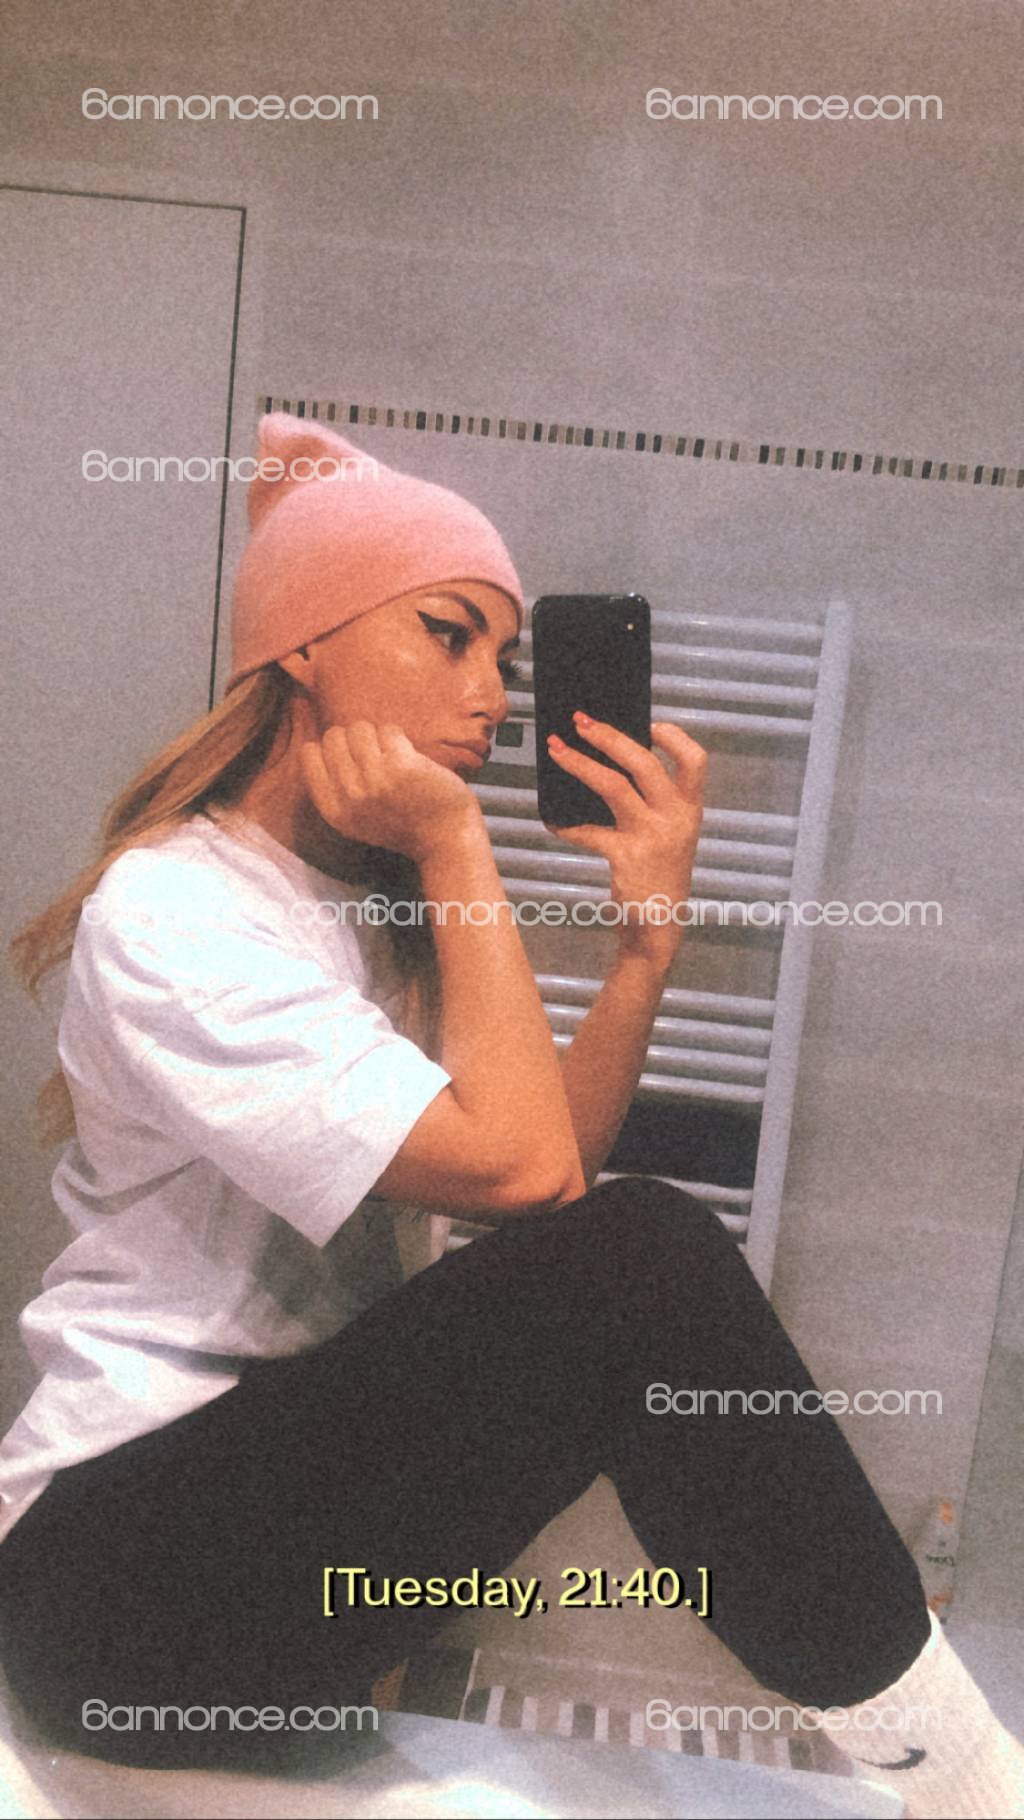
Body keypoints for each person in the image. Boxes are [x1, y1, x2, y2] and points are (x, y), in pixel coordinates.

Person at [0, 413, 1020, 1820]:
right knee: (646, 1251)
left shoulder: (374, 906)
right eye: (449, 635)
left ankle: (951, 1774)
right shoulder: (176, 909)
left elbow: (549, 1185)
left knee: (630, 1256)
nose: (492, 696)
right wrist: (456, 840)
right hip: (106, 1582)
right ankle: (974, 1788)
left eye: (507, 660)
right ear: (303, 646)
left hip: (257, 1549)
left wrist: (646, 947)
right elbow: (543, 1187)